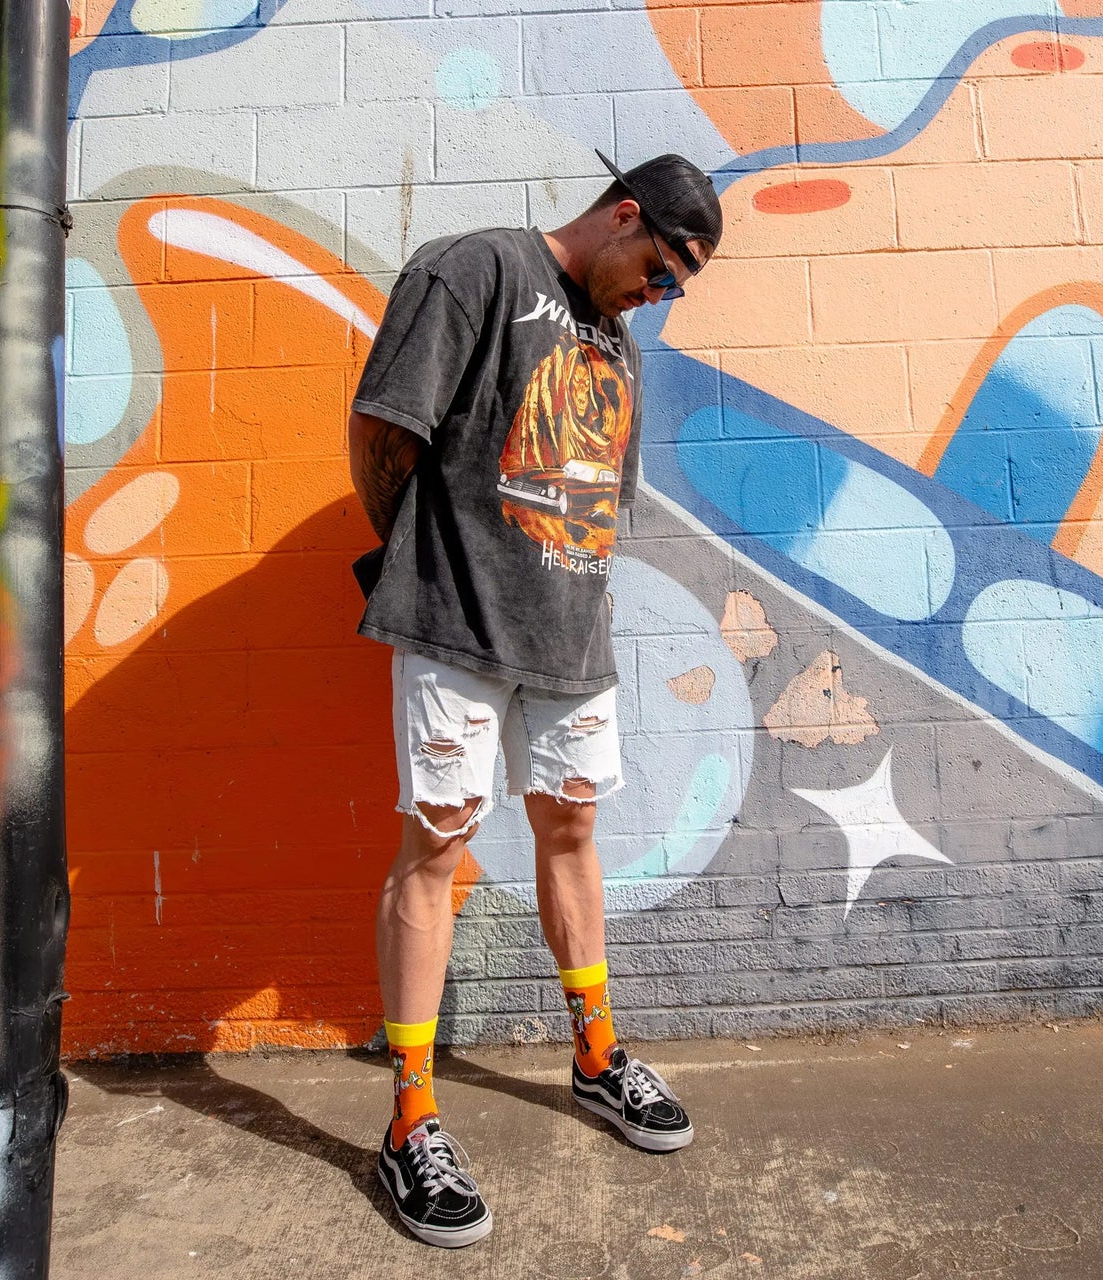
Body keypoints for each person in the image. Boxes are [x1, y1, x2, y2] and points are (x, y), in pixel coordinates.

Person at [345, 151, 723, 1248]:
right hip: (455, 623)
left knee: (573, 830)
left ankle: (597, 1055)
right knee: (436, 846)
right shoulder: (478, 270)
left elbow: (603, 491)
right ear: (621, 216)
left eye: (677, 284)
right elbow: (382, 435)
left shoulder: (617, 342)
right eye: (662, 267)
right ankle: (411, 1119)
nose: (661, 294)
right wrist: (425, 564)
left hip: (570, 635)